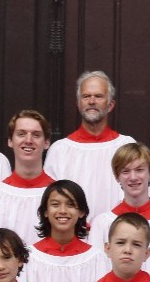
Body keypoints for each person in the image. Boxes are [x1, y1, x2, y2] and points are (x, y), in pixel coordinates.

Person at [45, 71, 135, 215]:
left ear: (110, 105)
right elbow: (51, 199)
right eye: (86, 96)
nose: (91, 101)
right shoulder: (59, 150)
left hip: (116, 232)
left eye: (98, 96)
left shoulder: (126, 146)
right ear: (78, 103)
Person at [0, 110, 55, 251]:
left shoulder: (58, 195)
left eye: (36, 135)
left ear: (46, 143)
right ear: (10, 141)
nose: (28, 140)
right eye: (21, 134)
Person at [90, 142, 150, 257]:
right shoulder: (102, 224)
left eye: (139, 170)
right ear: (117, 177)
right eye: (125, 171)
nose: (133, 177)